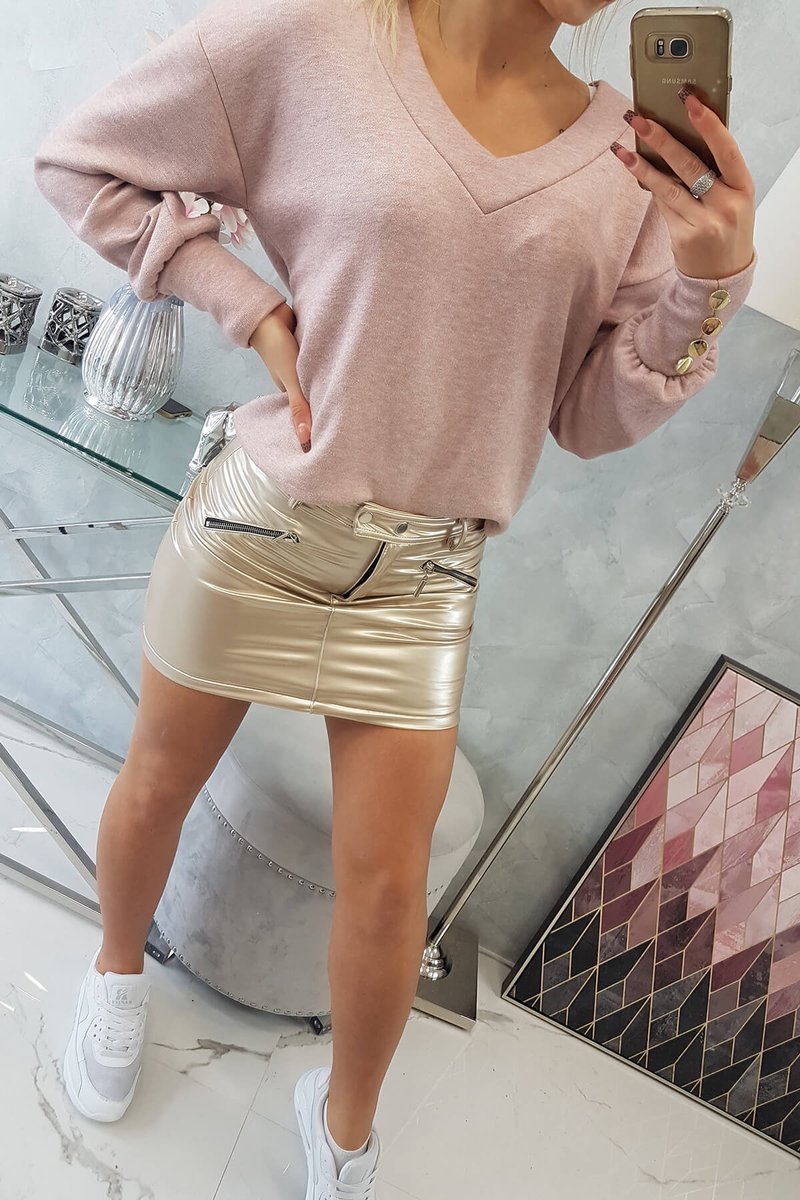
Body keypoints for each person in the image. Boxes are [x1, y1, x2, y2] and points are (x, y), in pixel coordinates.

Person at [33, 0, 756, 1195]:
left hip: (424, 574)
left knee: (387, 888)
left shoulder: (625, 161)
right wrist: (251, 308)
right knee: (157, 781)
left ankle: (344, 1126)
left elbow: (586, 418)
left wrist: (705, 282)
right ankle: (117, 975)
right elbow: (82, 164)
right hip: (262, 520)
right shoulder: (316, 35)